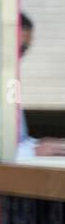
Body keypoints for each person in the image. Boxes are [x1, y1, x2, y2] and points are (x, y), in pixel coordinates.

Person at [16, 13, 65, 158]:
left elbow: (19, 140)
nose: (21, 55)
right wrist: (32, 150)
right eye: (20, 48)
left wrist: (40, 144)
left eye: (25, 49)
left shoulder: (9, 81)